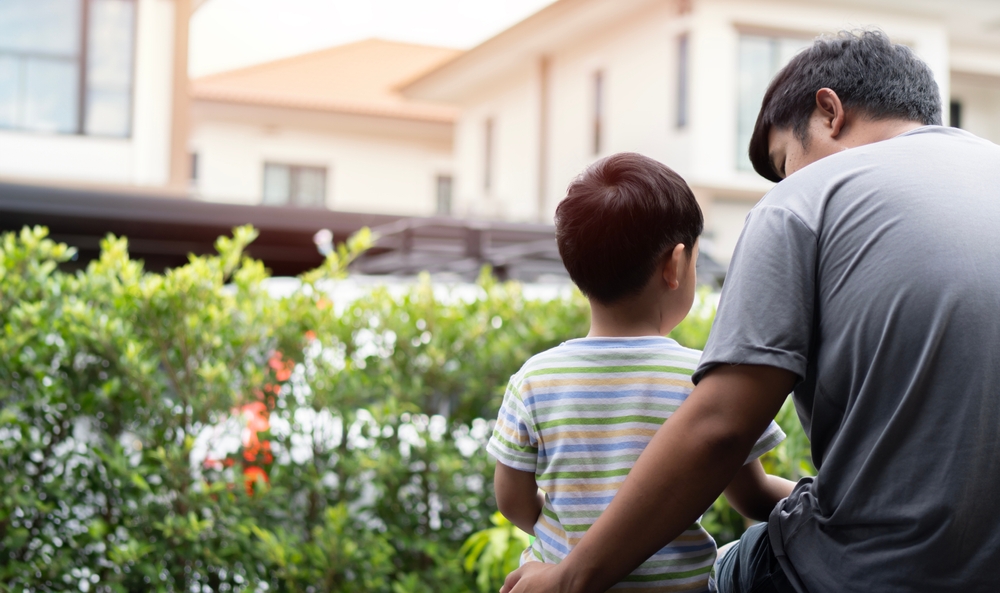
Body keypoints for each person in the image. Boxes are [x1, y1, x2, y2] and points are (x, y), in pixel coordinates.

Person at [500, 29, 1000, 593]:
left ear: (829, 112)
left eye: (786, 162)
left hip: (863, 573)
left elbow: (720, 428)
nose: (788, 183)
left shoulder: (804, 201)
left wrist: (569, 577)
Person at [487, 152, 796, 592]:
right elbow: (753, 495)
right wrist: (833, 502)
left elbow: (511, 499)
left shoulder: (535, 379)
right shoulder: (705, 380)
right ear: (675, 265)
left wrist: (568, 535)